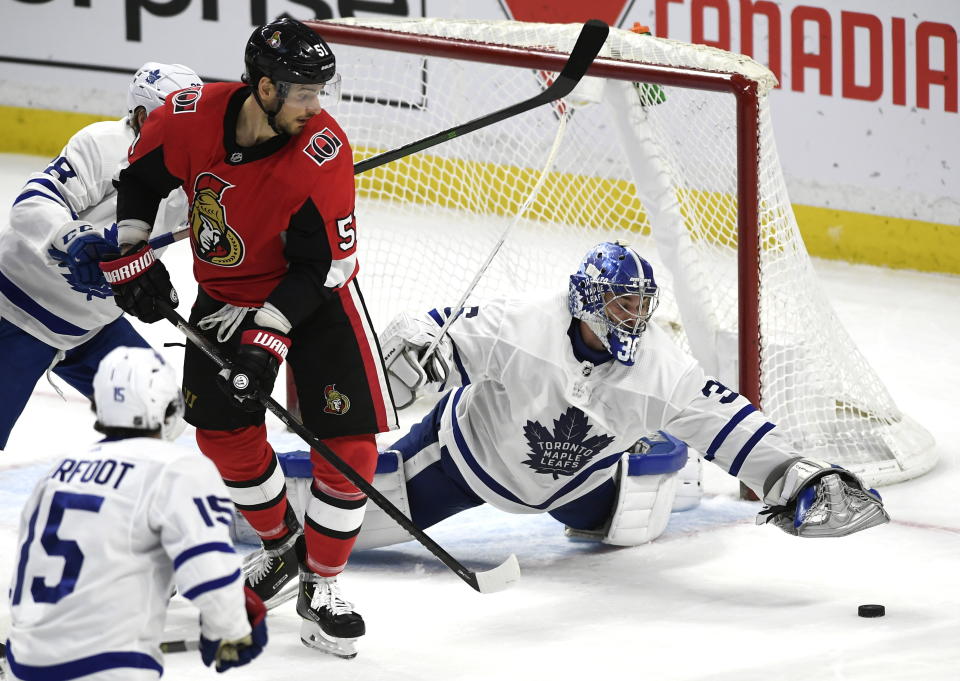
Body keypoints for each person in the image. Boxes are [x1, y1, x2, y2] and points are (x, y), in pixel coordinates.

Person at [97, 18, 397, 659]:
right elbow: (143, 183)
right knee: (222, 435)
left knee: (349, 447)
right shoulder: (188, 117)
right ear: (264, 87)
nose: (317, 108)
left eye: (321, 93)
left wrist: (271, 335)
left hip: (312, 296)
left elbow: (327, 265)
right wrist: (132, 256)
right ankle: (281, 546)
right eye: (303, 94)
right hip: (227, 293)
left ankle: (324, 583)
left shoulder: (325, 151)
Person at [373, 241, 889, 546]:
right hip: (463, 463)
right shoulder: (520, 324)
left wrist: (803, 477)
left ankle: (659, 456)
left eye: (641, 306)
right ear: (585, 300)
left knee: (632, 525)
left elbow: (731, 424)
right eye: (622, 304)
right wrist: (412, 345)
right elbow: (437, 332)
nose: (634, 319)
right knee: (353, 524)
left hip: (580, 484)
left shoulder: (662, 367)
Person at [3, 346, 266, 680]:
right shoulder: (177, 469)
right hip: (107, 669)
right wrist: (232, 628)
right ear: (169, 407)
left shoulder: (57, 474)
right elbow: (208, 571)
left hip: (22, 663)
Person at [0, 62, 201, 450]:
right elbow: (30, 203)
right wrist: (73, 235)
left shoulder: (192, 174)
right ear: (143, 116)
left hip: (92, 328)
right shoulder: (104, 144)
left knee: (160, 412)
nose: (192, 135)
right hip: (18, 316)